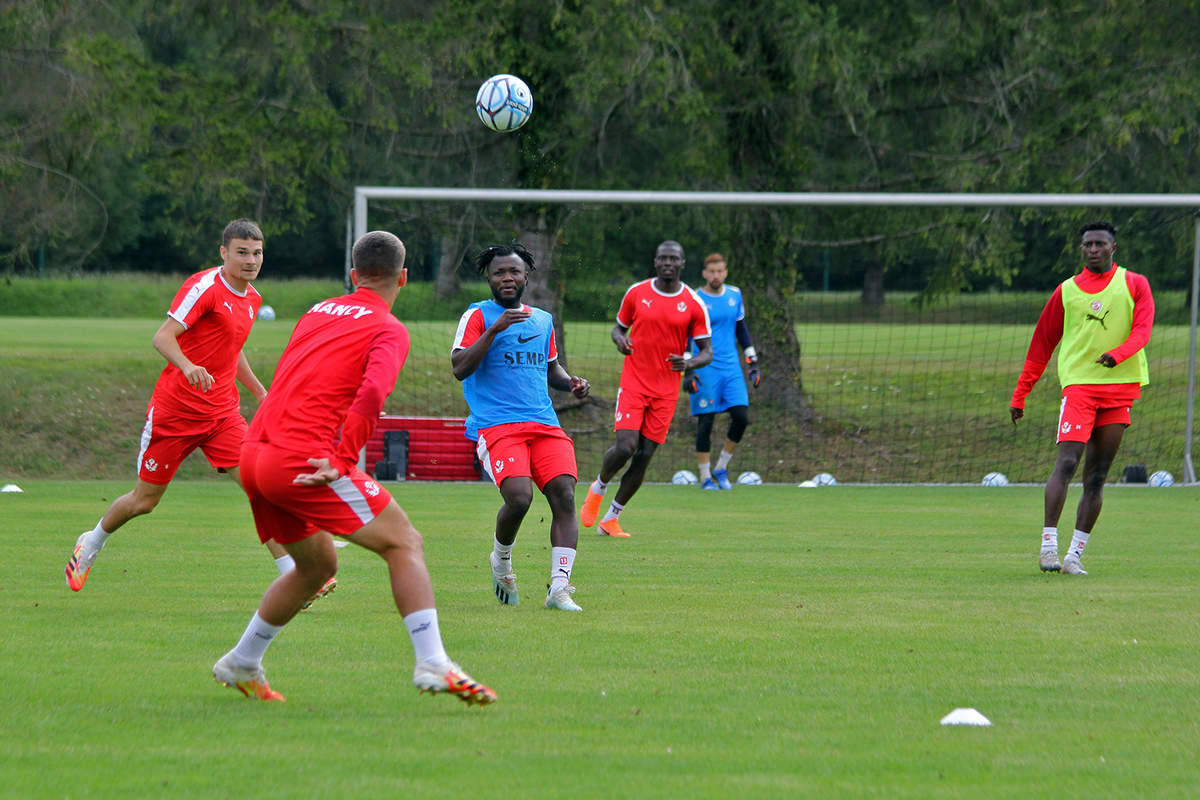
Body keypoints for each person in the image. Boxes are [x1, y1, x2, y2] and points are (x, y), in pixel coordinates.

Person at [213, 230, 495, 705]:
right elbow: (372, 394)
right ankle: (432, 662)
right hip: (300, 458)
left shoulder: (318, 310)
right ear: (404, 277)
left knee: (316, 567)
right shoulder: (389, 328)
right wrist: (342, 460)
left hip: (254, 451)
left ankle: (242, 661)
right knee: (404, 542)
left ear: (352, 275)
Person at [64, 219, 334, 605]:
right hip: (175, 413)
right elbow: (162, 337)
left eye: (256, 253)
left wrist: (259, 390)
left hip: (222, 414)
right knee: (144, 502)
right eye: (241, 252)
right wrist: (188, 366)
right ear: (223, 252)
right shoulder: (204, 287)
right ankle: (91, 542)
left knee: (260, 488)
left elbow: (231, 348)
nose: (250, 260)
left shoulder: (253, 298)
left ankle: (295, 577)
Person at [451, 244, 591, 611]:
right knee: (519, 498)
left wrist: (571, 382)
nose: (507, 278)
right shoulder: (477, 316)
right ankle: (501, 561)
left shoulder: (542, 319)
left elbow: (550, 369)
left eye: (514, 272)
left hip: (543, 422)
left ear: (526, 276)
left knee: (564, 494)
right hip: (497, 426)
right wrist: (495, 329)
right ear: (489, 278)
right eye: (499, 273)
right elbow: (460, 367)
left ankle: (559, 588)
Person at [1010, 221, 1154, 576]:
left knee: (1097, 476)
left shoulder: (1135, 284)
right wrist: (1021, 392)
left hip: (1120, 389)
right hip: (1079, 387)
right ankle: (1048, 547)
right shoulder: (1067, 291)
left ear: (1112, 248)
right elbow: (1042, 343)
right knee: (1068, 463)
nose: (1092, 249)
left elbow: (1143, 330)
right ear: (1082, 249)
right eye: (1087, 244)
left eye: (1099, 244)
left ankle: (1074, 556)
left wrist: (1118, 355)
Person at [579, 240, 713, 537]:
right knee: (626, 446)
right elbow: (618, 328)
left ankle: (611, 519)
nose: (668, 263)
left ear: (682, 263)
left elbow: (707, 352)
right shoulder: (637, 293)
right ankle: (598, 487)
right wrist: (619, 341)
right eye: (663, 258)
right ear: (655, 262)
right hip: (634, 381)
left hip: (667, 390)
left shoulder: (693, 302)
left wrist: (688, 364)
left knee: (645, 454)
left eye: (673, 259)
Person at [683, 252, 761, 490]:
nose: (716, 275)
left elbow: (741, 327)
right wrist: (688, 369)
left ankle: (721, 468)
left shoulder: (734, 294)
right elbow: (686, 334)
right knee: (706, 421)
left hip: (731, 367)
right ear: (705, 273)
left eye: (720, 271)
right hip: (704, 365)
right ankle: (706, 477)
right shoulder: (695, 298)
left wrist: (752, 359)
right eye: (712, 271)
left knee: (741, 417)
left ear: (725, 273)